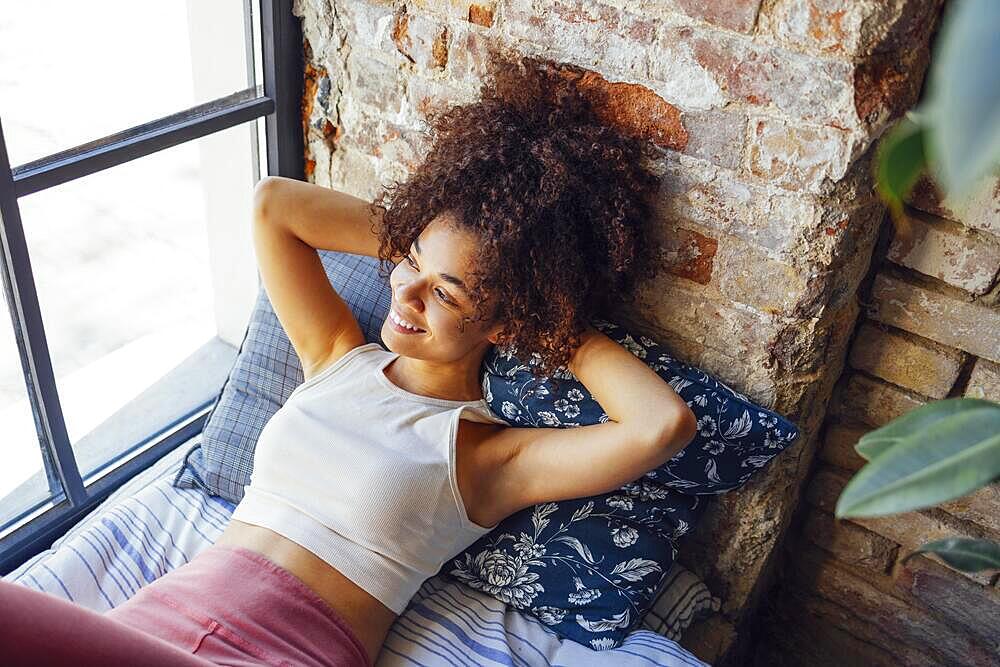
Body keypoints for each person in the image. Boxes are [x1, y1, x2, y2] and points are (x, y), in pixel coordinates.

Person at [0, 47, 697, 666]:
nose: (405, 292)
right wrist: (412, 234)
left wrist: (547, 313)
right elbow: (273, 206)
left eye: (446, 294)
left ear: (505, 321)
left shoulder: (486, 457)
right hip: (149, 626)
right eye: (408, 261)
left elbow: (659, 425)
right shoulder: (338, 356)